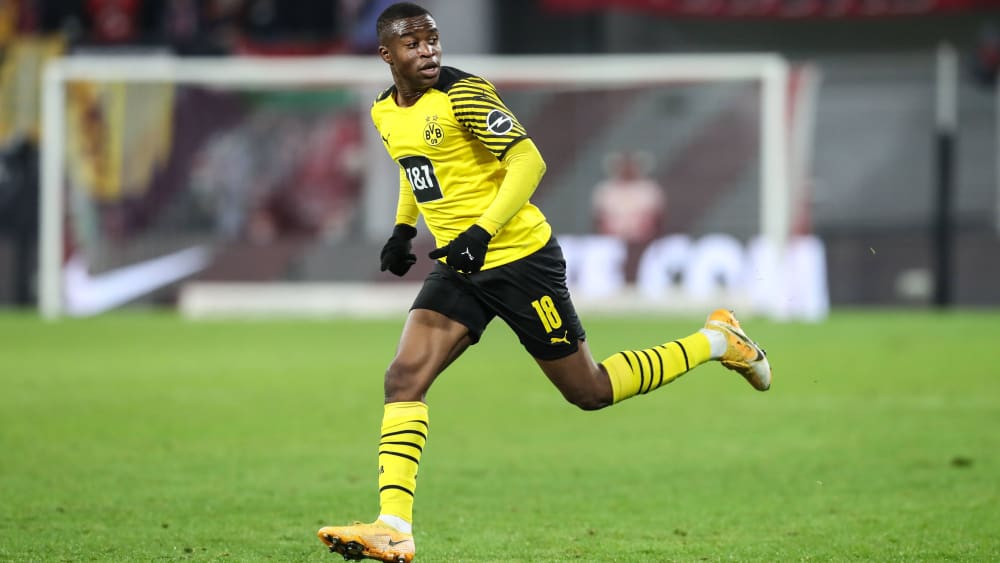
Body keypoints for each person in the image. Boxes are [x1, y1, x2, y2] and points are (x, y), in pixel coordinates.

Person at [316, 4, 771, 562]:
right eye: (414, 44)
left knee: (590, 391)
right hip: (460, 264)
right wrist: (403, 229)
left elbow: (528, 161)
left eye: (433, 40)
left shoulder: (464, 94)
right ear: (387, 55)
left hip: (519, 259)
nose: (429, 51)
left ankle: (718, 340)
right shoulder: (384, 110)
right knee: (404, 377)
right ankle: (394, 527)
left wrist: (482, 231)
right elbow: (417, 168)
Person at [592, 150, 666, 246]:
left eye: (630, 165)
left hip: (642, 240)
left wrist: (639, 235)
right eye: (623, 165)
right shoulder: (605, 189)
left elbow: (653, 218)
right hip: (611, 241)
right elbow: (601, 219)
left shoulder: (650, 189)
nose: (627, 169)